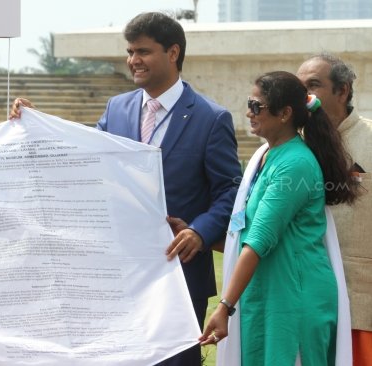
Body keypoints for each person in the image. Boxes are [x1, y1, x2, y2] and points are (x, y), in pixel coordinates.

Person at [12, 12, 241, 365]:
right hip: (118, 270)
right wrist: (36, 122)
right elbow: (86, 156)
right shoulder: (117, 107)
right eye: (130, 51)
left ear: (173, 53)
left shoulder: (211, 118)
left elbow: (230, 191)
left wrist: (199, 230)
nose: (133, 60)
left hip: (178, 272)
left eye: (143, 52)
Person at [201, 71, 359, 365]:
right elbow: (246, 230)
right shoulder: (267, 155)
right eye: (249, 102)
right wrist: (199, 236)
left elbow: (259, 241)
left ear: (285, 113)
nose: (249, 111)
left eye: (257, 105)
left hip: (293, 297)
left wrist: (224, 306)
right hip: (268, 293)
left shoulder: (294, 164)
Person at [297, 53, 372, 365]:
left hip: (360, 302)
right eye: (299, 87)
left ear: (343, 90)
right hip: (303, 299)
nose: (305, 96)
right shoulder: (292, 146)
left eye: (313, 85)